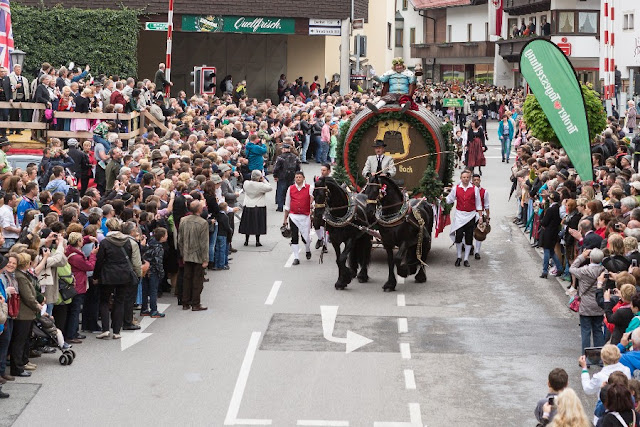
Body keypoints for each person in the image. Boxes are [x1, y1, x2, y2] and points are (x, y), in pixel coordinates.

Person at [93, 218, 142, 340]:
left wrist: (96, 276)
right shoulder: (127, 241)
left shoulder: (105, 242)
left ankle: (105, 329)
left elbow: (99, 261)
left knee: (104, 301)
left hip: (108, 274)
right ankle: (116, 331)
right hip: (124, 274)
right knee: (119, 302)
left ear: (108, 228)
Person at [10, 252, 42, 378]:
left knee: (23, 340)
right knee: (19, 341)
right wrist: (37, 305)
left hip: (27, 313)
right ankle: (17, 368)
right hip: (23, 314)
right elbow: (28, 296)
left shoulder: (22, 275)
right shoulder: (21, 277)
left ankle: (21, 363)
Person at [570, 248, 606, 353]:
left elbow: (572, 268)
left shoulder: (584, 271)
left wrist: (582, 256)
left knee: (585, 332)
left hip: (585, 304)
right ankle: (599, 357)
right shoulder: (604, 271)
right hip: (599, 304)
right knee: (598, 331)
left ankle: (585, 358)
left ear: (590, 258)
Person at [64, 232, 97, 343]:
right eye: (81, 240)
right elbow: (89, 266)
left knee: (73, 310)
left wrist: (88, 238)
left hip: (76, 283)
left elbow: (79, 240)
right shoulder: (77, 257)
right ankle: (71, 334)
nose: (83, 242)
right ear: (78, 242)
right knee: (75, 311)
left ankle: (73, 332)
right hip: (78, 285)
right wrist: (92, 255)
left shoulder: (69, 249)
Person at [446, 169, 483, 267]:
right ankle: (459, 256)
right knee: (458, 236)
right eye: (464, 177)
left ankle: (466, 258)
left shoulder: (475, 189)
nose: (466, 179)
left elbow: (478, 204)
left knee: (469, 237)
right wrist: (440, 200)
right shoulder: (456, 188)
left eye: (467, 177)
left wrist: (480, 216)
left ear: (470, 178)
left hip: (470, 215)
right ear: (461, 178)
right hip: (459, 216)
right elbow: (450, 199)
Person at [177, 200, 209, 311]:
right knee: (197, 280)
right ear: (199, 209)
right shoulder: (203, 223)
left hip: (186, 253)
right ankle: (195, 303)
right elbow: (204, 243)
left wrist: (182, 254)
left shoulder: (183, 220)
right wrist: (205, 259)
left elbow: (180, 239)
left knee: (187, 279)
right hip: (198, 255)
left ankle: (185, 302)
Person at [283, 171, 313, 265]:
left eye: (300, 177)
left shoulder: (310, 188)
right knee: (294, 236)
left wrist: (312, 208)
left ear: (303, 178)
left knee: (306, 237)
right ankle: (296, 257)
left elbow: (313, 200)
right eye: (296, 177)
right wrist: (285, 218)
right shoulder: (290, 188)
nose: (298, 179)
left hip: (305, 216)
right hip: (294, 216)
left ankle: (307, 249)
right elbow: (287, 204)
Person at [240, 170, 272, 247]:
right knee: (258, 224)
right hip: (258, 205)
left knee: (247, 224)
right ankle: (257, 241)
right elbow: (270, 187)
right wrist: (264, 180)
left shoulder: (246, 183)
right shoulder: (261, 185)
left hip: (248, 204)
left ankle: (246, 240)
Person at [141, 227, 167, 318]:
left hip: (145, 269)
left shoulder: (149, 243)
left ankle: (144, 309)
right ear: (162, 237)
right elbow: (158, 262)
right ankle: (154, 310)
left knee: (145, 290)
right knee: (153, 291)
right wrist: (161, 273)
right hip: (154, 271)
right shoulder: (159, 248)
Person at [539, 191, 564, 279]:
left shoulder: (550, 209)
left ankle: (545, 270)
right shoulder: (558, 208)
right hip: (555, 231)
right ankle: (560, 268)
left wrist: (541, 220)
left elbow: (544, 222)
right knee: (552, 251)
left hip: (548, 232)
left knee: (546, 250)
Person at [273, 143, 300, 212]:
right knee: (291, 192)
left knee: (280, 192)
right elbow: (298, 168)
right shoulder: (295, 157)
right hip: (292, 176)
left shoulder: (280, 157)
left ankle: (280, 207)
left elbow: (276, 168)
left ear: (284, 149)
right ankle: (291, 206)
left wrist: (275, 176)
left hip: (282, 177)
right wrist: (297, 176)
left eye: (282, 149)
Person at [472, 173, 490, 260]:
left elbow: (486, 205)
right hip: (469, 214)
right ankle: (469, 246)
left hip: (479, 215)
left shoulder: (484, 192)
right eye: (474, 180)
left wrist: (487, 217)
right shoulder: (469, 190)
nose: (476, 181)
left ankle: (477, 252)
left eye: (477, 180)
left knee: (479, 233)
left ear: (480, 180)